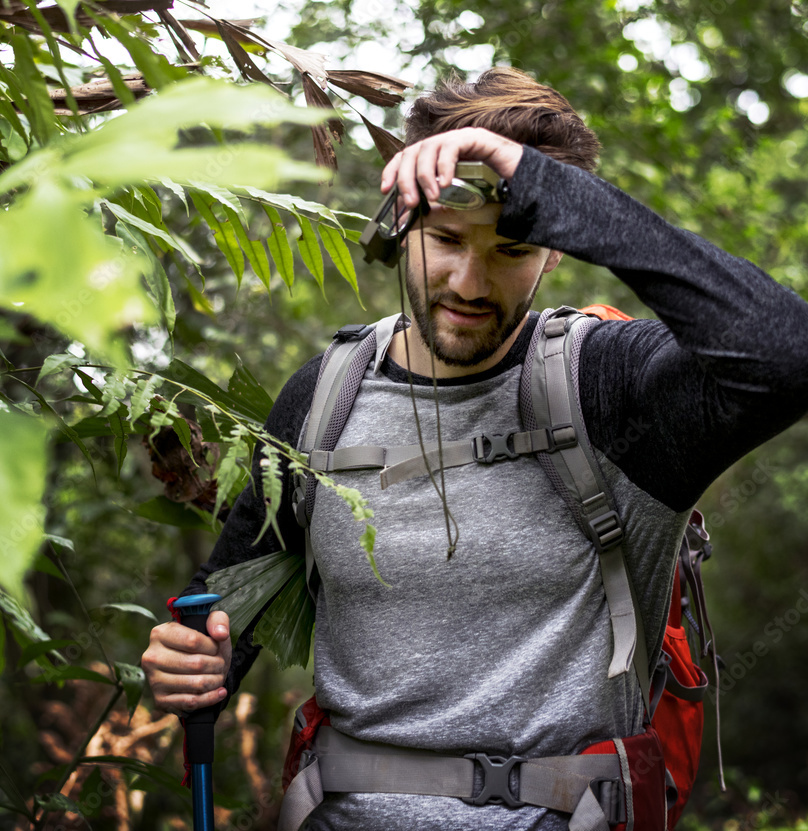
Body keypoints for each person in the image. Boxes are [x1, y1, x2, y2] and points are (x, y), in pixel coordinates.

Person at [142, 67, 808, 830]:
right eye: (446, 239)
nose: (470, 281)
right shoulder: (323, 395)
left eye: (512, 249)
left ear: (554, 249)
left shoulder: (613, 389)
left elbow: (785, 352)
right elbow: (227, 608)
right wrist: (191, 661)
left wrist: (547, 188)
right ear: (401, 221)